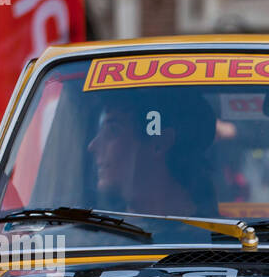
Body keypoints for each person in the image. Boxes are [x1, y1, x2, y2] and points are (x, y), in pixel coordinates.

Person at [86, 87, 218, 216]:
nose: (92, 146)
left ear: (159, 143)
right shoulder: (95, 231)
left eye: (112, 130)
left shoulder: (216, 236)